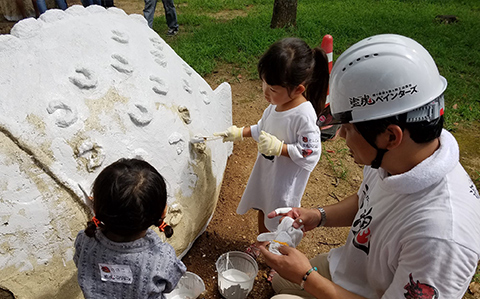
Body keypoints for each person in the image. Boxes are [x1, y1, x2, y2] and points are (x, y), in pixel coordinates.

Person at [259, 34, 480, 299]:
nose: (341, 136)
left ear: (391, 136)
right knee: (281, 283)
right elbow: (366, 200)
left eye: (348, 128)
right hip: (351, 274)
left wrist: (307, 277)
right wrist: (318, 216)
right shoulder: (398, 159)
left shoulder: (440, 238)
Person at [215, 37, 329, 259]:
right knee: (262, 208)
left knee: (278, 220)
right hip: (267, 175)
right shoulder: (275, 106)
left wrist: (281, 148)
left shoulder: (304, 115)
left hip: (283, 183)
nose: (265, 92)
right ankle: (263, 247)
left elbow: (311, 153)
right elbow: (263, 128)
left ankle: (279, 257)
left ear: (298, 89)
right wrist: (240, 132)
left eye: (273, 88)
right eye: (264, 83)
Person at [74, 158, 186, 298]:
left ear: (95, 208)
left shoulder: (84, 241)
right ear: (163, 212)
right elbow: (170, 285)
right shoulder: (162, 257)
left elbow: (78, 261)